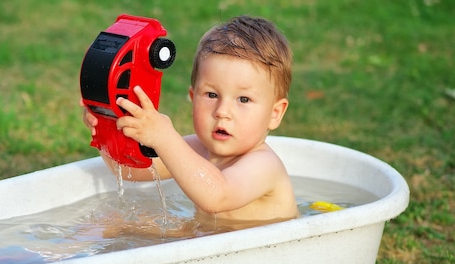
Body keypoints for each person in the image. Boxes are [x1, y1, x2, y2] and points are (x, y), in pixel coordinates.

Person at [82, 15, 298, 228]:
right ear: (193, 97)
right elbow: (136, 170)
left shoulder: (264, 165)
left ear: (275, 114)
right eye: (212, 95)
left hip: (267, 255)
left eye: (243, 99)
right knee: (113, 226)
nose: (222, 112)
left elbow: (216, 196)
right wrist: (106, 127)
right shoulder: (198, 148)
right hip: (214, 241)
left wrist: (164, 138)